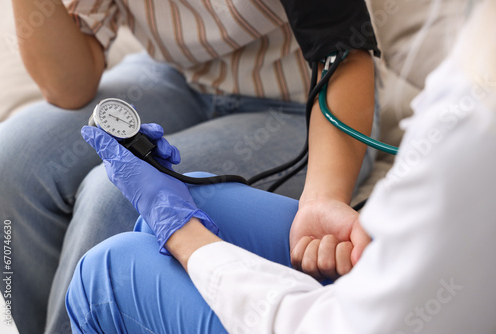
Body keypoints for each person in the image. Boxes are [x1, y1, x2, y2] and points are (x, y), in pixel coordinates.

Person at [66, 0, 496, 332]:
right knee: (196, 195)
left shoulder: (476, 133)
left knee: (105, 272)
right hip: (398, 274)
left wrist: (183, 233)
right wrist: (340, 210)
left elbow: (325, 324)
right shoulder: (470, 93)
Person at [0, 0, 380, 333]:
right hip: (180, 75)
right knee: (10, 161)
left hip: (302, 101)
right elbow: (69, 85)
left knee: (114, 193)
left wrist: (322, 198)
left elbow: (341, 47)